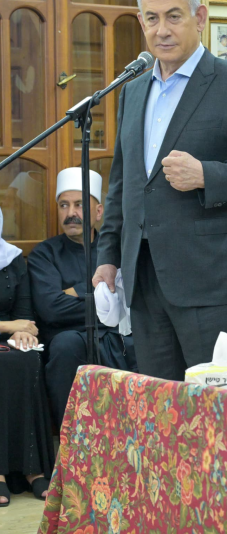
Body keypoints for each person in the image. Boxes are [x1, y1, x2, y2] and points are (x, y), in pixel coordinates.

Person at [92, 0, 227, 382]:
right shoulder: (133, 90)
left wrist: (206, 175)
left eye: (174, 16)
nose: (162, 30)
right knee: (165, 412)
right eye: (151, 19)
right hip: (143, 277)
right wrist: (108, 257)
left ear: (200, 17)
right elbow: (121, 186)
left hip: (210, 280)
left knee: (218, 410)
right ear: (141, 23)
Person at [28, 168, 136, 427]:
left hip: (116, 335)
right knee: (67, 347)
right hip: (69, 336)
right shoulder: (44, 254)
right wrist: (107, 299)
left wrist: (74, 291)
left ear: (99, 212)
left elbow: (132, 298)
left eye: (78, 205)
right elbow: (52, 308)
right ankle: (72, 442)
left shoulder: (115, 251)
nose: (70, 213)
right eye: (64, 205)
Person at [0, 208, 54, 506]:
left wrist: (24, 333)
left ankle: (33, 468)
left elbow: (25, 313)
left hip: (7, 340)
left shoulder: (11, 258)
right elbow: (14, 321)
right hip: (4, 332)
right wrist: (10, 326)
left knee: (26, 358)